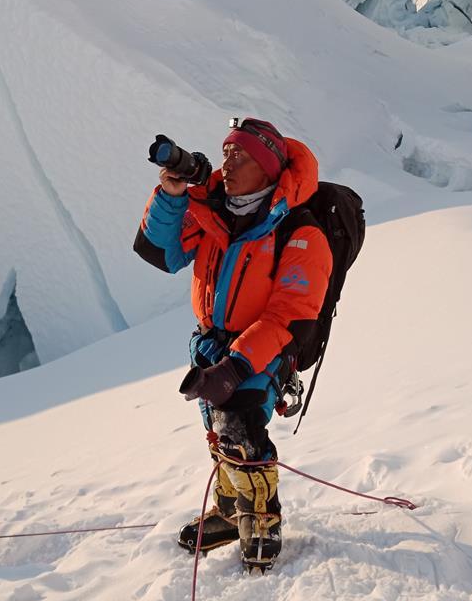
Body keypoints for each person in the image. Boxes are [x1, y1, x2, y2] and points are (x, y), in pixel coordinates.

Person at [134, 118, 332, 572]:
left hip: (264, 347)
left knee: (242, 431)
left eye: (239, 154)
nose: (227, 160)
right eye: (225, 151)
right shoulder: (214, 212)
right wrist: (172, 195)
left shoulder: (300, 230)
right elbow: (159, 253)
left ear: (267, 167)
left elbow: (292, 315)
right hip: (210, 341)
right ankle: (228, 511)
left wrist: (237, 366)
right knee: (218, 429)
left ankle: (262, 521)